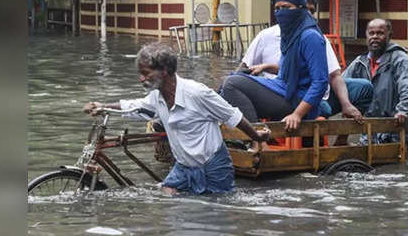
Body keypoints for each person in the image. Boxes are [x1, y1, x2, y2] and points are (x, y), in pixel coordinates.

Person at [83, 43, 271, 195]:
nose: (141, 79)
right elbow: (136, 106)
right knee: (170, 204)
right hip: (183, 166)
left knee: (215, 217)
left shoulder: (197, 93)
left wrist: (257, 137)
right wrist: (103, 106)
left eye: (146, 73)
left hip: (212, 167)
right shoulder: (157, 96)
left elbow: (233, 116)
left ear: (164, 71)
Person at [221, 0, 329, 152]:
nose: (281, 12)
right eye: (277, 9)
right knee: (231, 81)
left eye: (286, 7)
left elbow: (320, 82)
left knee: (232, 84)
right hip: (283, 89)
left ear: (301, 9)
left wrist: (297, 114)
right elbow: (292, 70)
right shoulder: (291, 34)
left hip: (296, 99)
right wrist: (266, 67)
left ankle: (259, 142)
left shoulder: (310, 37)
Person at [342, 18, 408, 148]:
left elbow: (407, 86)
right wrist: (345, 105)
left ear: (389, 36)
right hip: (369, 127)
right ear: (366, 35)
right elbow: (341, 83)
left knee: (392, 165)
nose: (375, 37)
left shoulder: (400, 59)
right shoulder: (360, 62)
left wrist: (403, 110)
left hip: (395, 125)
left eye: (380, 33)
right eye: (371, 33)